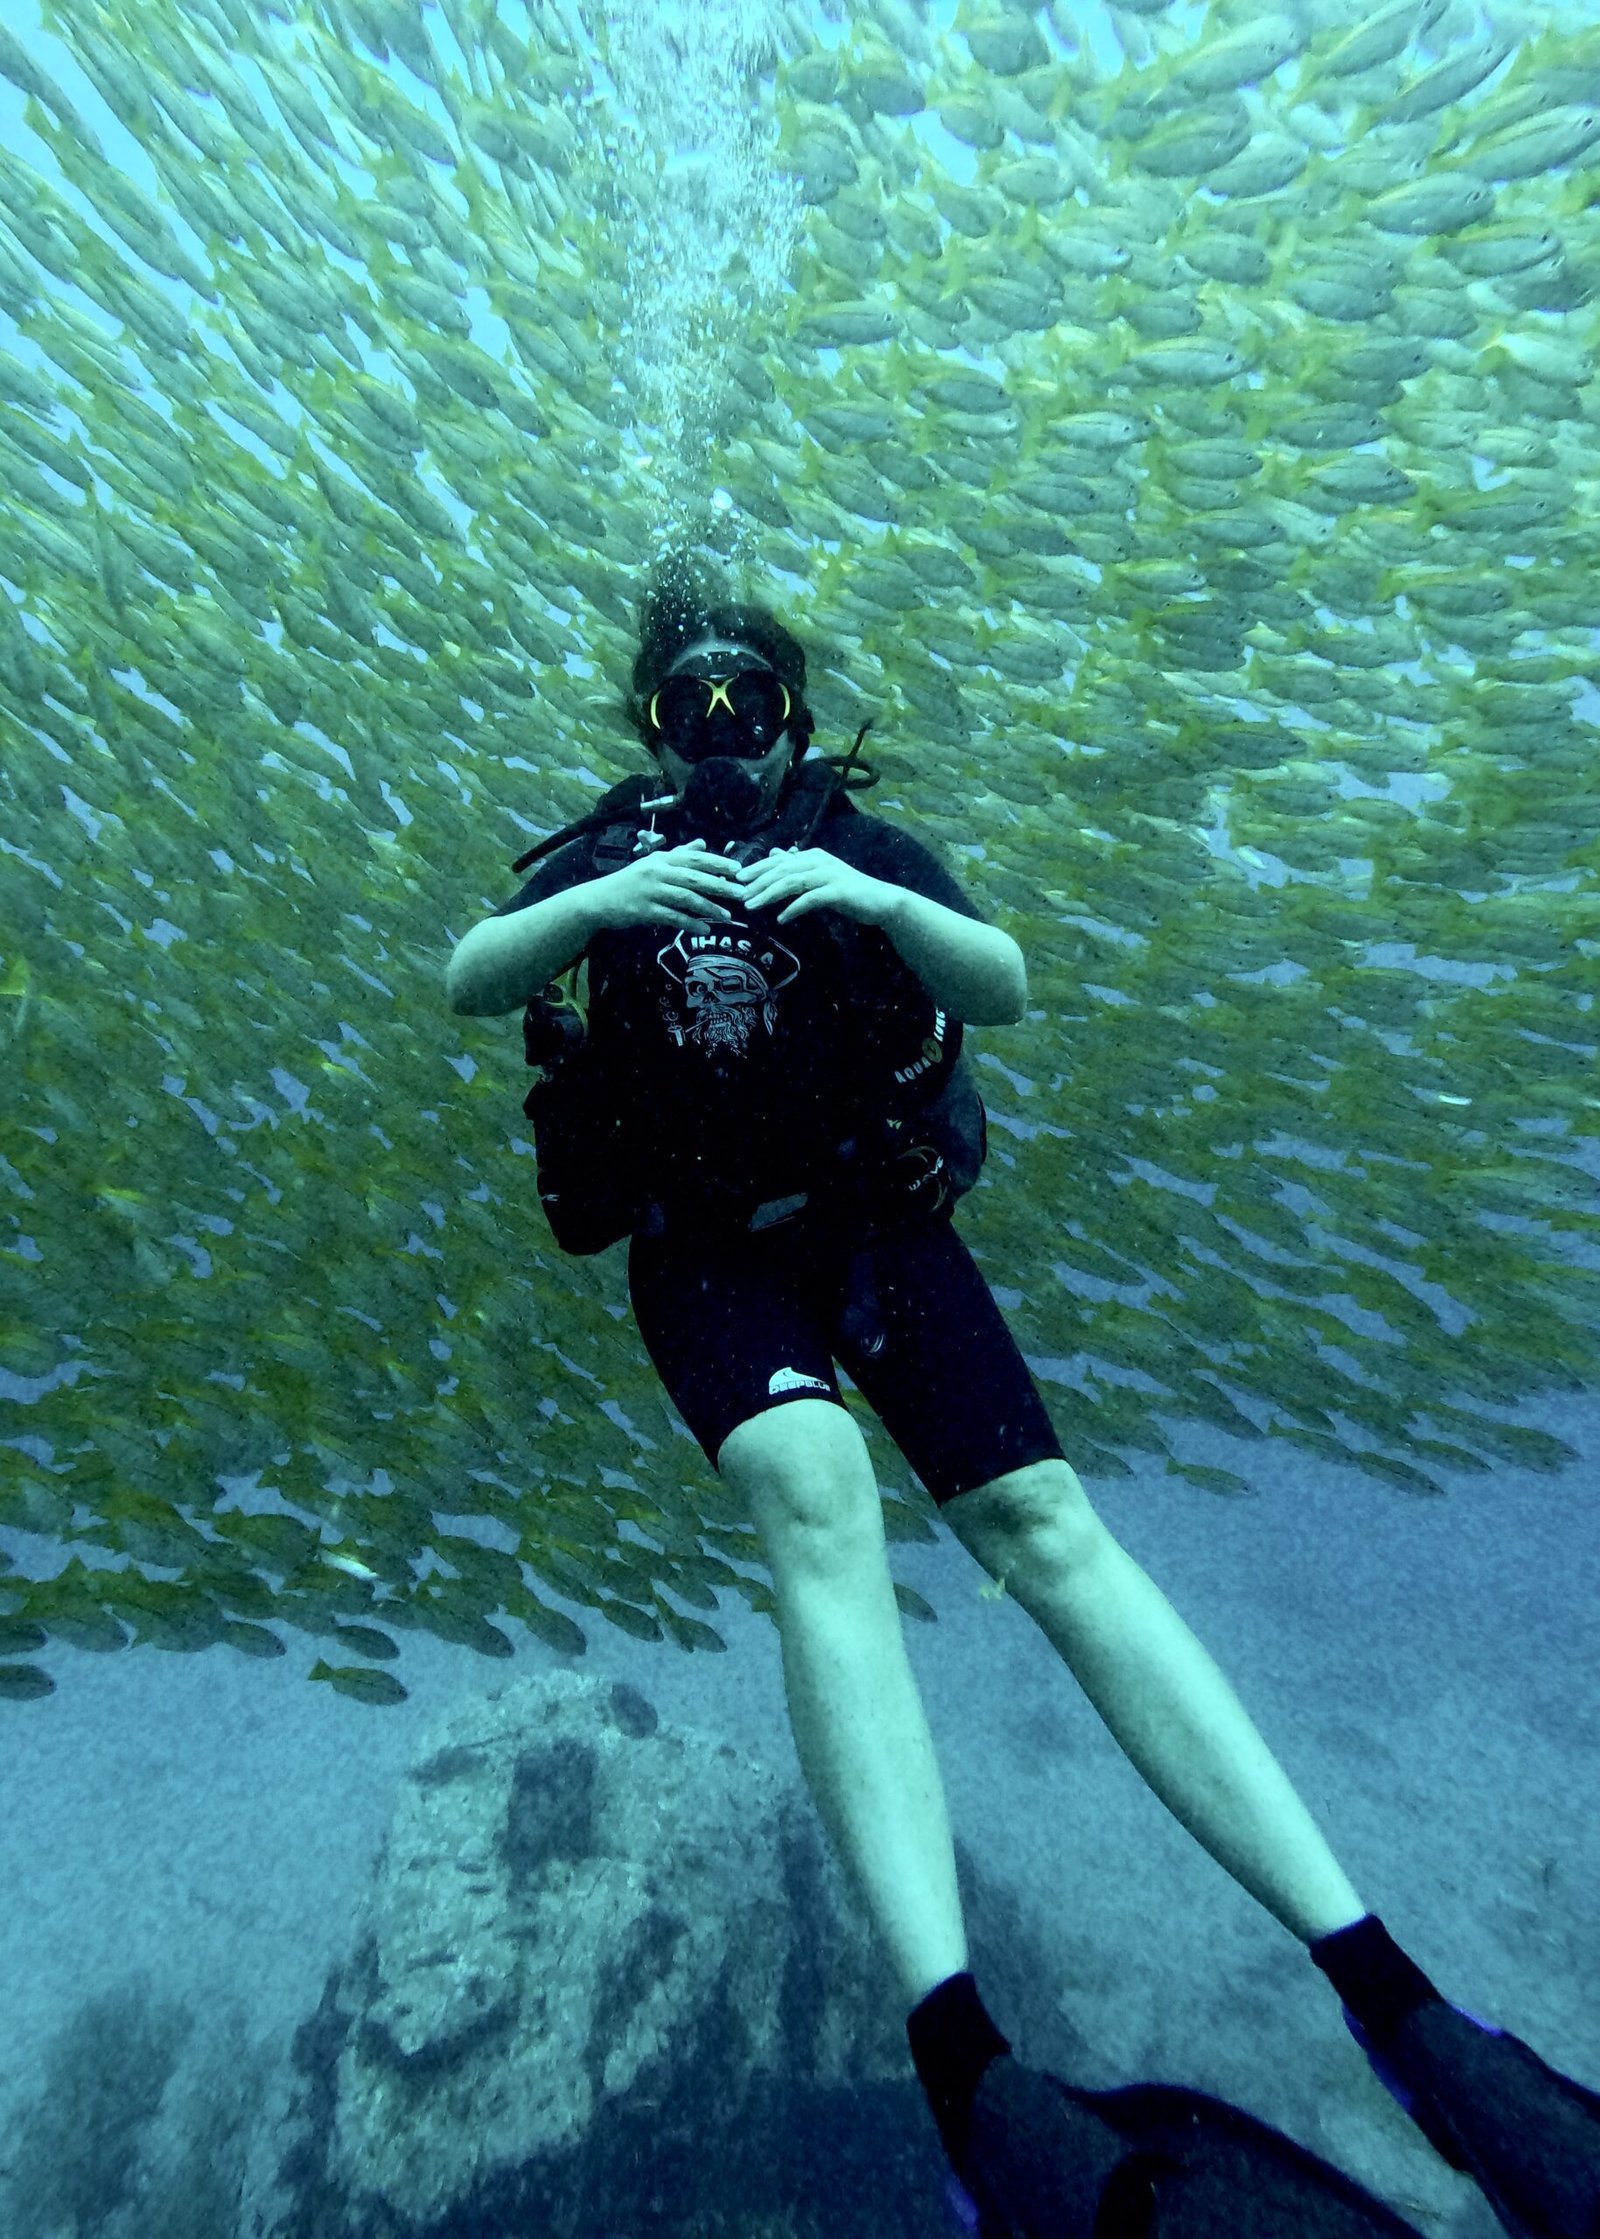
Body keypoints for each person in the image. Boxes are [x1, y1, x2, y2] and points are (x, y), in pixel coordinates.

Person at [444, 566, 1600, 2239]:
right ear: (648, 728)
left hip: (874, 1223)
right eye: (691, 714)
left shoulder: (851, 843)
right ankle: (960, 2053)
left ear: (791, 715)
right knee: (817, 1496)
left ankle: (1391, 1990)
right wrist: (599, 912)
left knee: (1049, 1526)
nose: (723, 744)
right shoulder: (614, 859)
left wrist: (872, 899)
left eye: (751, 707)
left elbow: (1004, 982)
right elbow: (473, 977)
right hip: (710, 1263)